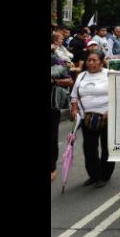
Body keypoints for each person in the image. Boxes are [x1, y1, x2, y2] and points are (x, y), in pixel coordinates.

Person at [70, 49, 113, 188]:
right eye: (89, 60)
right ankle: (94, 175)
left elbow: (118, 93)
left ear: (101, 61)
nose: (91, 63)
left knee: (107, 148)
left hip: (107, 117)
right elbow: (74, 96)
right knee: (89, 148)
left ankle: (104, 176)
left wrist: (111, 110)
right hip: (86, 118)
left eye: (94, 60)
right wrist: (75, 109)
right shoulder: (81, 76)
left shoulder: (109, 74)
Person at [51, 51, 74, 183]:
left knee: (52, 137)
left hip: (52, 106)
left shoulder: (55, 60)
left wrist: (54, 80)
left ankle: (52, 167)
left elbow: (69, 81)